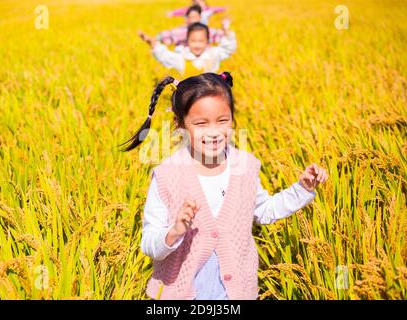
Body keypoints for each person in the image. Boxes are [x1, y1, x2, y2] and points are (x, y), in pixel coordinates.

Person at [120, 72, 329, 299]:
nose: (214, 132)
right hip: (180, 294)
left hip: (235, 292)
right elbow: (149, 244)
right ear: (179, 124)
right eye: (201, 123)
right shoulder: (167, 176)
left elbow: (264, 211)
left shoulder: (245, 167)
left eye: (223, 120)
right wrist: (175, 231)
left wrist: (302, 189)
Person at [139, 22, 236, 76]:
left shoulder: (212, 54)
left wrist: (226, 31)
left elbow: (228, 48)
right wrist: (151, 42)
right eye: (193, 41)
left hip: (211, 94)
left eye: (201, 41)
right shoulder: (183, 58)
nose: (197, 45)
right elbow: (164, 55)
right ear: (187, 41)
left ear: (207, 42)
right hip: (189, 97)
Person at [156, 4, 226, 46]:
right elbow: (163, 36)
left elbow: (222, 35)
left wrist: (224, 27)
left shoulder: (205, 30)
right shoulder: (181, 31)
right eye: (191, 17)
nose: (193, 20)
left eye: (195, 17)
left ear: (200, 18)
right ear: (187, 19)